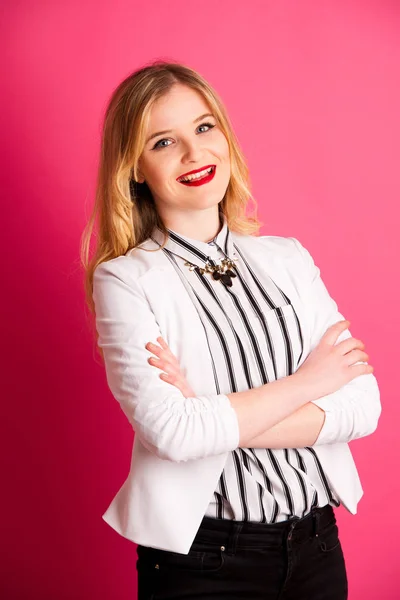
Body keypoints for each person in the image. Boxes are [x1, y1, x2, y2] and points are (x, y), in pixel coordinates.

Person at [81, 60, 381, 600]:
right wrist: (310, 383)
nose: (195, 154)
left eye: (203, 127)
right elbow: (173, 435)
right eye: (164, 142)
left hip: (316, 547)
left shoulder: (288, 259)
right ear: (135, 167)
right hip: (204, 564)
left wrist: (205, 405)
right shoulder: (125, 280)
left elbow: (362, 407)